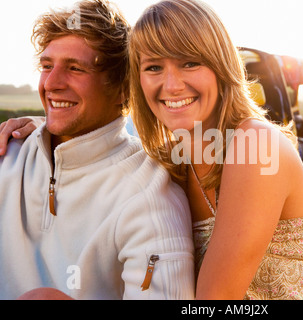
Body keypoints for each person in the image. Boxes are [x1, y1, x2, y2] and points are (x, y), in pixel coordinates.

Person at [2, 0, 303, 300]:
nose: (171, 84)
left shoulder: (255, 145)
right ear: (136, 82)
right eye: (154, 67)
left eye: (189, 63)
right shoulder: (172, 162)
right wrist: (48, 128)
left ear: (221, 66)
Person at [0, 0, 195, 300]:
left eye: (75, 68)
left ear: (122, 90)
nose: (51, 83)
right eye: (47, 66)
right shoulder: (8, 152)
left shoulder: (150, 195)